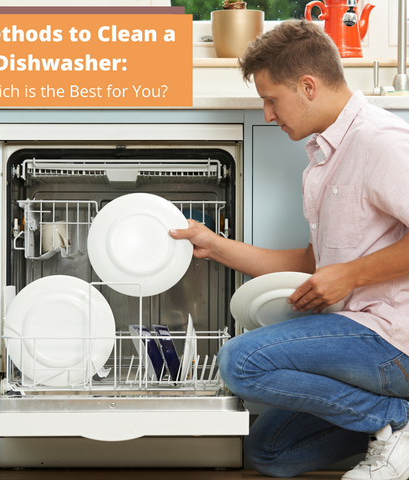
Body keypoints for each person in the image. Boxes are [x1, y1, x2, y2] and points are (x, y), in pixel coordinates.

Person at [169, 19, 409, 480]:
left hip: (392, 342)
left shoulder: (378, 142)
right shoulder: (324, 157)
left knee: (241, 361)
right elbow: (310, 263)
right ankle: (391, 428)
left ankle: (395, 419)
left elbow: (343, 271)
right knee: (271, 452)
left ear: (307, 86)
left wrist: (352, 275)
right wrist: (214, 246)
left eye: (271, 99)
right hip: (353, 334)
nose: (266, 114)